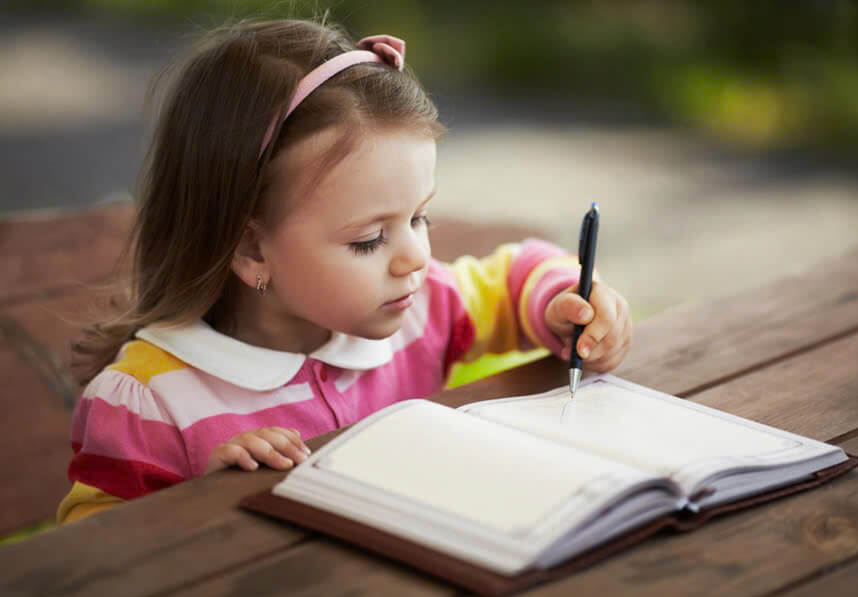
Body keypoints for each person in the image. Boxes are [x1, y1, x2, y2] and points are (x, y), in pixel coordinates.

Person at [57, 18, 633, 525]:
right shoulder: (150, 402)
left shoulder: (422, 309)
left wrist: (566, 301)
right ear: (252, 250)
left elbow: (515, 279)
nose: (415, 258)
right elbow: (90, 563)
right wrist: (201, 505)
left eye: (420, 217)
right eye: (369, 239)